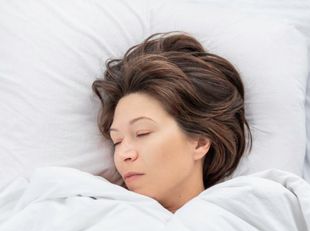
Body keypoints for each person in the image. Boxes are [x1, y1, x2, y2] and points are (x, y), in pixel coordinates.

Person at [92, 32, 252, 213]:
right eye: (117, 141)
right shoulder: (95, 215)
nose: (123, 155)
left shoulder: (246, 220)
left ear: (199, 143)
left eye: (142, 133)